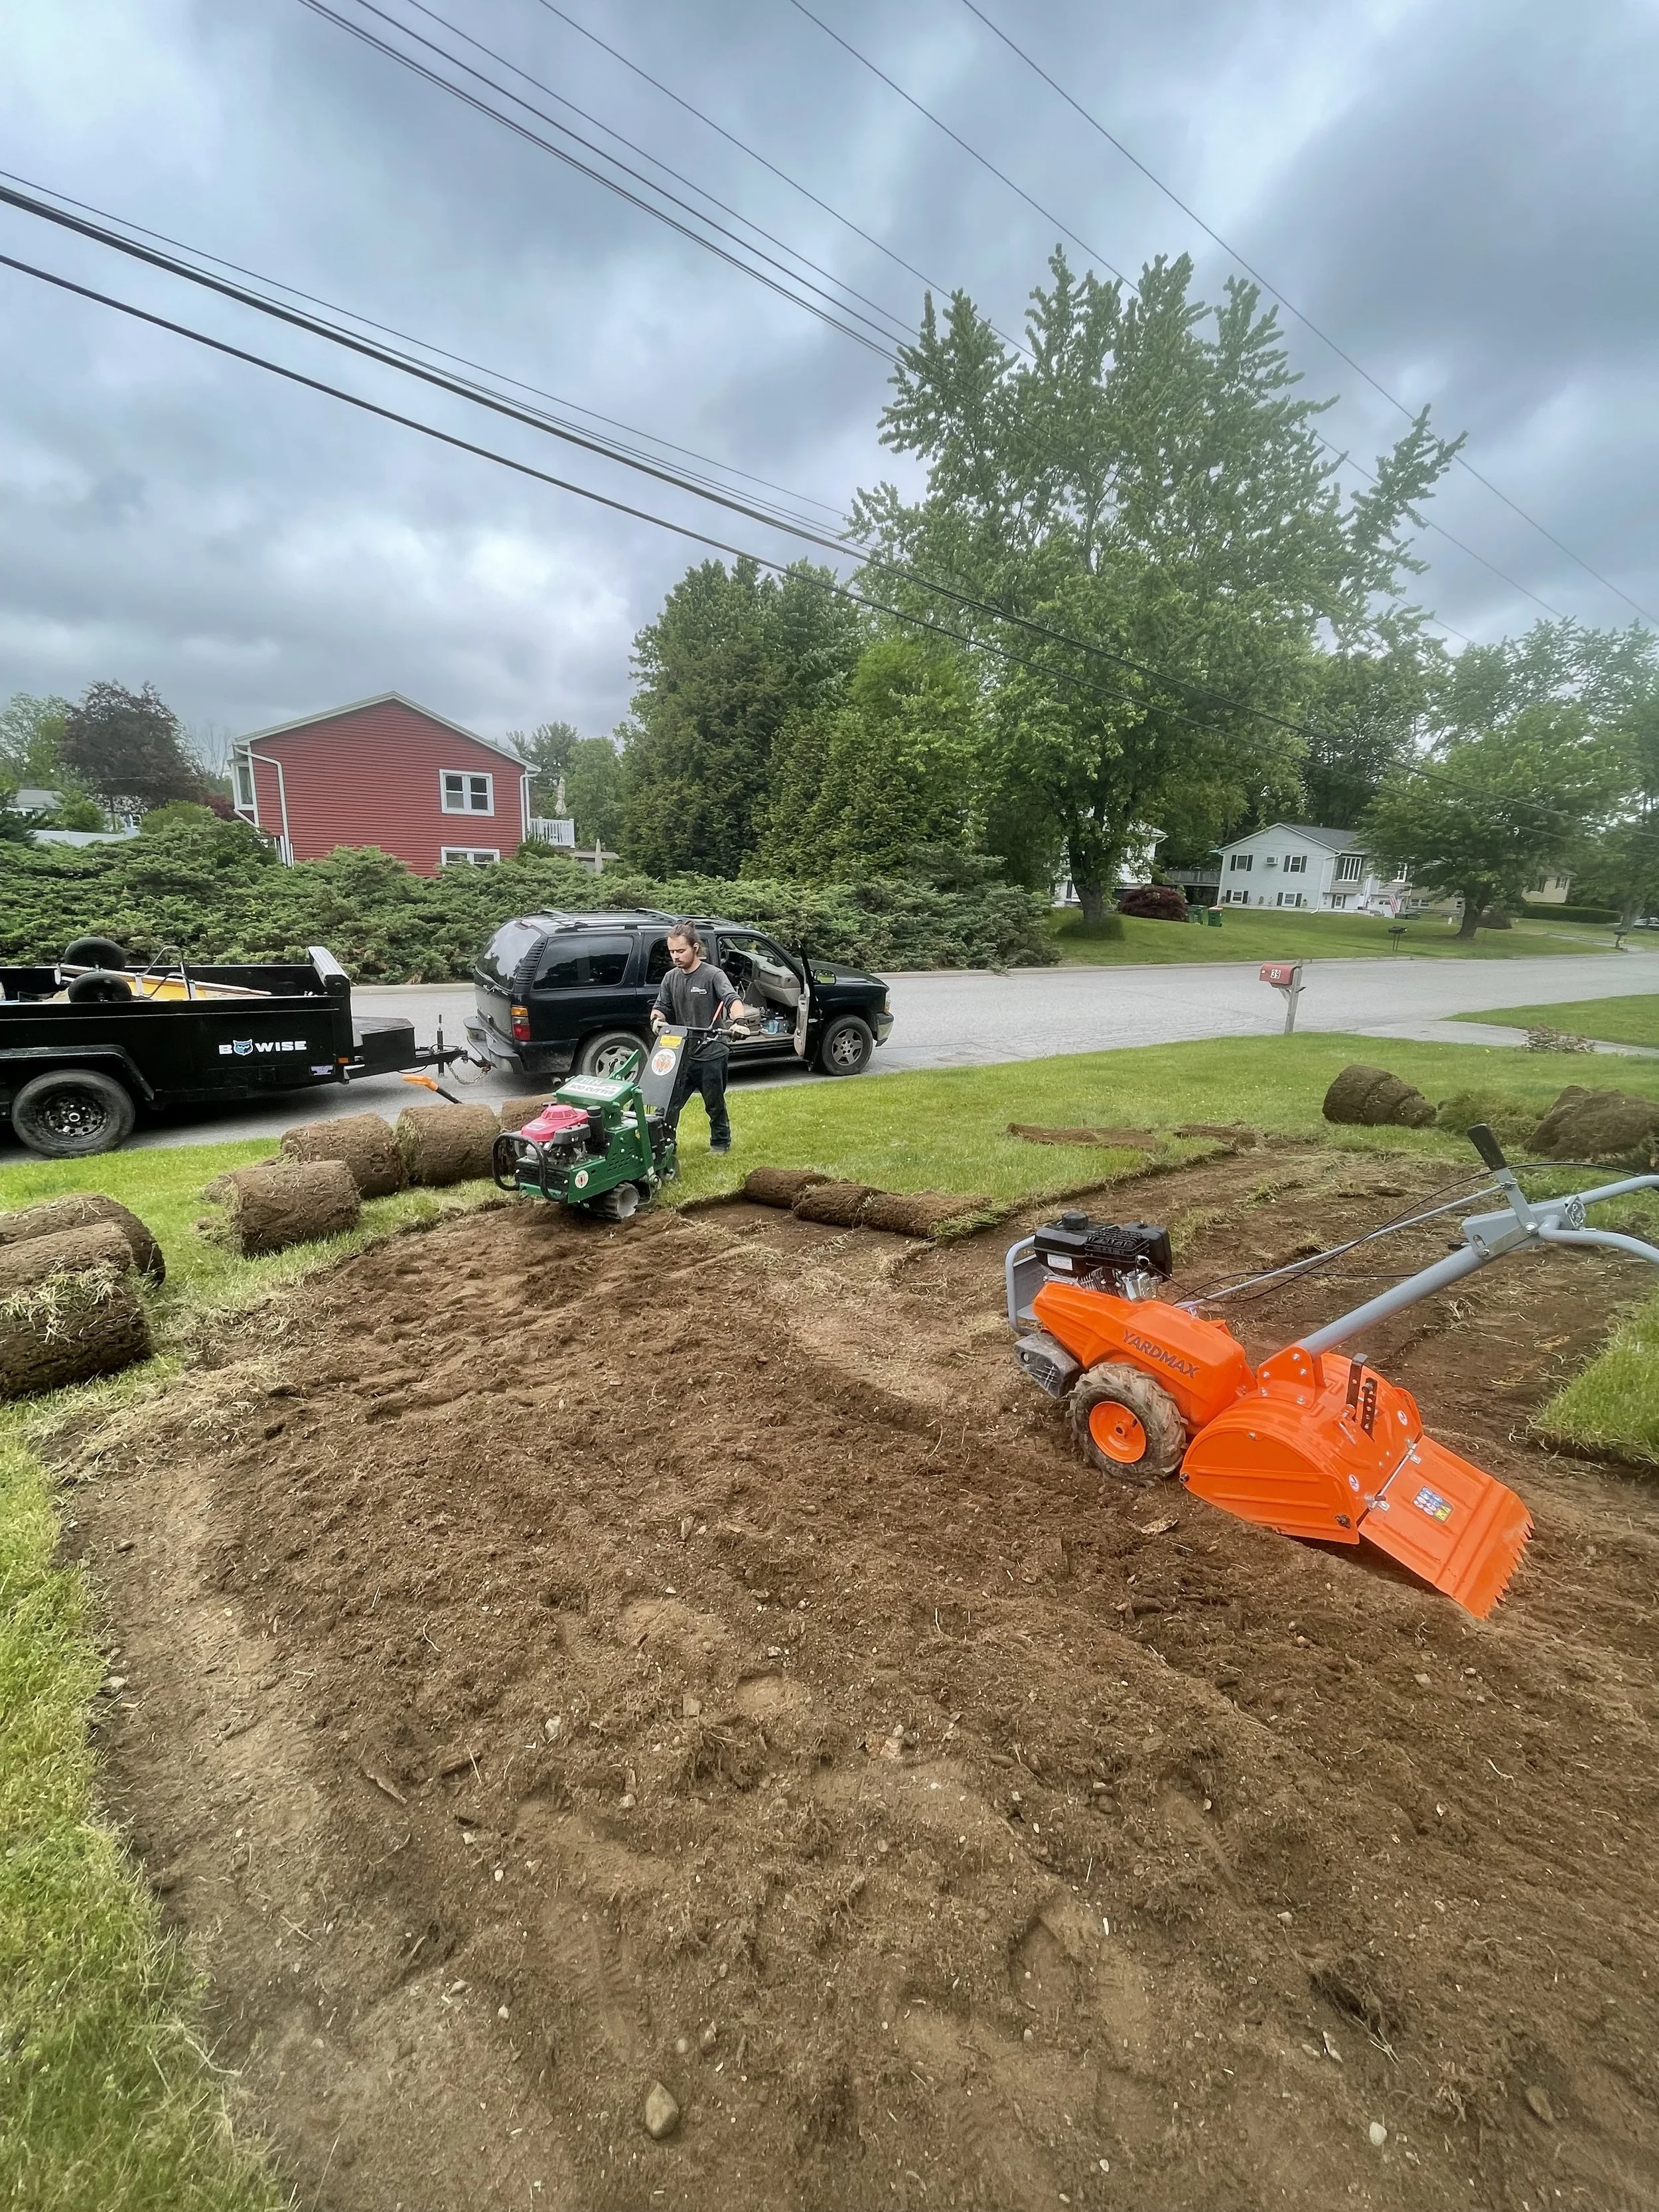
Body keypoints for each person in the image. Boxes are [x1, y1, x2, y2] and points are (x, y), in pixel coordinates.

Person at [650, 921, 752, 1155]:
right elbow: (660, 1006)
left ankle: (720, 1144)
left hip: (712, 1052)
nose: (675, 956)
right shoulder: (670, 978)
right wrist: (657, 1020)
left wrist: (740, 1022)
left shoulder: (713, 975)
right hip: (682, 1053)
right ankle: (665, 1146)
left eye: (680, 951)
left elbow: (732, 1000)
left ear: (695, 948)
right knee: (668, 1105)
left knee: (714, 1104)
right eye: (672, 952)